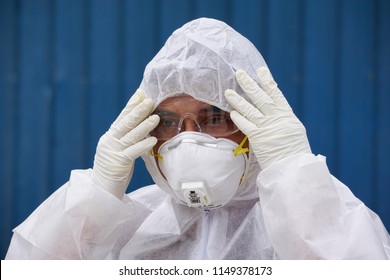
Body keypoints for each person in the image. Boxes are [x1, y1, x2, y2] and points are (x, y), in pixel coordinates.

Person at [5, 17, 390, 260]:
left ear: (256, 125)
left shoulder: (318, 218)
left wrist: (295, 178)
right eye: (168, 122)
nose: (187, 139)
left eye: (215, 117)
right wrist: (95, 201)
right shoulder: (127, 225)